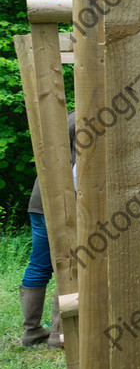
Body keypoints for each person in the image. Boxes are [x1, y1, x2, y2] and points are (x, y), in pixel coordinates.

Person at [19, 112, 75, 348]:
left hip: (40, 198)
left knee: (39, 263)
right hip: (65, 201)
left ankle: (31, 331)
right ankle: (58, 334)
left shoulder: (67, 117)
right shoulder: (94, 118)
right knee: (71, 262)